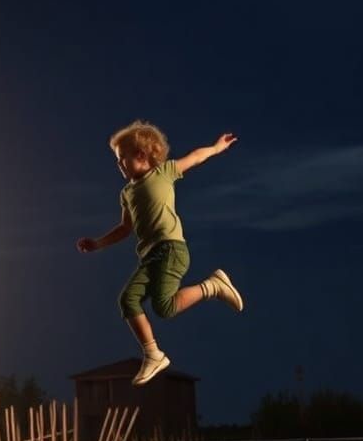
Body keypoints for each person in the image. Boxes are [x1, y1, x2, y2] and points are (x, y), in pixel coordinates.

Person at [76, 120, 244, 386]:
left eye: (122, 159)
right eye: (117, 161)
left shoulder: (164, 173)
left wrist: (215, 148)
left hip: (171, 250)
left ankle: (212, 286)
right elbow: (124, 229)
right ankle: (153, 353)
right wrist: (97, 244)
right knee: (128, 300)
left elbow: (194, 158)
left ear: (141, 156)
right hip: (150, 257)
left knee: (164, 309)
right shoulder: (127, 193)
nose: (119, 165)